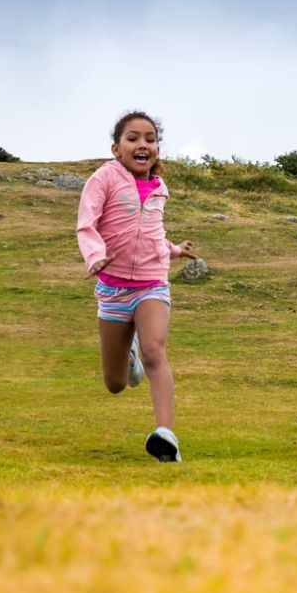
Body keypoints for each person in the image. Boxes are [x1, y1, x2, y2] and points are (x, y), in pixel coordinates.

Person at [76, 111, 197, 462]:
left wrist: (173, 250)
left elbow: (151, 232)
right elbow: (87, 224)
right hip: (112, 290)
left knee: (155, 351)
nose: (142, 144)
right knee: (115, 383)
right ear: (117, 148)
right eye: (133, 138)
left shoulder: (160, 187)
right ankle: (126, 359)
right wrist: (95, 256)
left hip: (152, 285)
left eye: (150, 139)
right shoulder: (103, 179)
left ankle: (166, 435)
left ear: (157, 149)